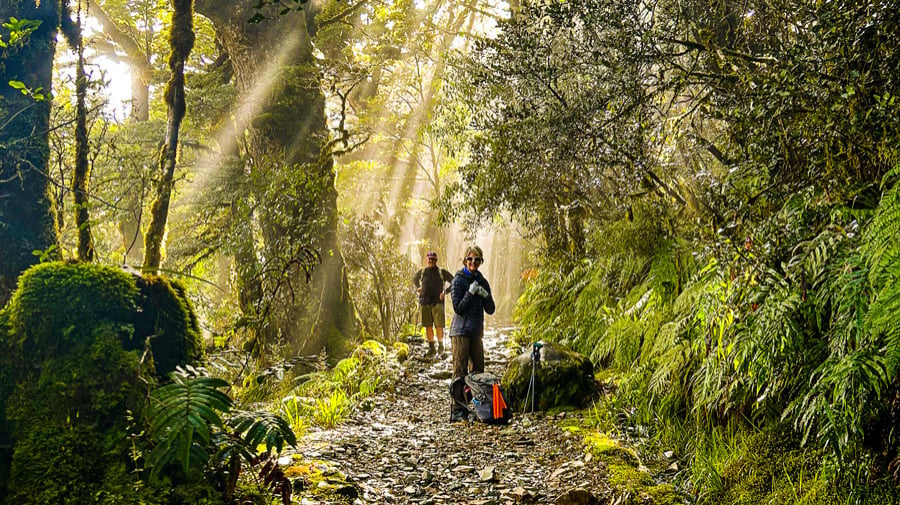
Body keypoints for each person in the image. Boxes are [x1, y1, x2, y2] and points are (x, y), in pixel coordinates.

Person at [448, 245, 495, 422]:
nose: (473, 262)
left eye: (476, 259)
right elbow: (458, 308)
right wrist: (470, 293)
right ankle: (458, 410)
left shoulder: (483, 281)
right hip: (460, 331)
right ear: (465, 261)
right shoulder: (458, 280)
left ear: (481, 261)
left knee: (478, 371)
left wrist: (484, 295)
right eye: (470, 259)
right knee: (459, 371)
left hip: (476, 332)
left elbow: (491, 309)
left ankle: (478, 407)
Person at [412, 251, 454, 357]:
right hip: (425, 302)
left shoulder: (441, 272)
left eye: (433, 259)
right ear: (427, 260)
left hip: (438, 302)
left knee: (439, 325)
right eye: (429, 259)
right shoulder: (422, 272)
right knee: (428, 325)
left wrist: (445, 292)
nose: (431, 261)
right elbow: (414, 278)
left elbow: (454, 281)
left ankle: (440, 347)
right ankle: (431, 348)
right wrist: (418, 287)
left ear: (436, 260)